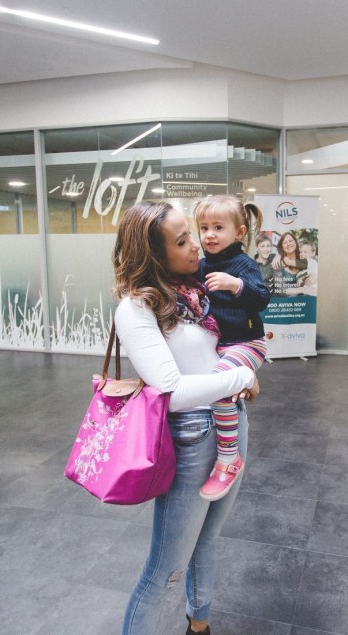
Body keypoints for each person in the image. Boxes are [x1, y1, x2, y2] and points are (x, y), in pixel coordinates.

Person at [113, 200, 259, 635]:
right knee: (164, 571)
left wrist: (240, 370)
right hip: (191, 438)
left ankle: (200, 625)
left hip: (231, 424)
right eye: (181, 241)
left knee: (208, 541)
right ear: (154, 256)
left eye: (191, 234)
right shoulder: (137, 307)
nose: (197, 245)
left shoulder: (199, 289)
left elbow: (229, 341)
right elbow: (172, 391)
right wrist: (241, 375)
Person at [194, 195, 270, 500]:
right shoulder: (201, 265)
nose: (209, 235)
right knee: (218, 387)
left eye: (218, 227)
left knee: (219, 384)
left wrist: (235, 284)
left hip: (247, 343)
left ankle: (228, 458)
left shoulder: (243, 264)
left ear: (239, 232)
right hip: (219, 345)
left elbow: (262, 298)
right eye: (204, 228)